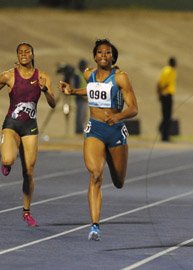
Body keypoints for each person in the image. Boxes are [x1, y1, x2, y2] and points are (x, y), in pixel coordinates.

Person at [59, 39, 138, 241]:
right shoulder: (89, 74)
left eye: (108, 52)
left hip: (115, 130)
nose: (104, 55)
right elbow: (92, 90)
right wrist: (73, 91)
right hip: (95, 129)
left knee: (119, 181)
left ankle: (111, 156)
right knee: (95, 175)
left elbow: (133, 108)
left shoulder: (121, 78)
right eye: (100, 52)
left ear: (113, 57)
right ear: (95, 56)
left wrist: (118, 116)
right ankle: (95, 226)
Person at [0, 42, 56, 227]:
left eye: (27, 52)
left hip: (30, 127)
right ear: (17, 56)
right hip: (12, 124)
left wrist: (46, 90)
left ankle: (26, 212)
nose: (24, 54)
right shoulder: (9, 75)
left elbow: (53, 103)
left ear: (32, 55)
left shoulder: (42, 76)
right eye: (20, 52)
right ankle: (6, 162)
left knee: (29, 172)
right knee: (8, 160)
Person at [157, 57, 177, 142]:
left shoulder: (164, 70)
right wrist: (163, 91)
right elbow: (167, 83)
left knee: (165, 115)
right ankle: (165, 135)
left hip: (163, 95)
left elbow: (159, 82)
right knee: (167, 116)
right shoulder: (171, 71)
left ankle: (163, 134)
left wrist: (159, 93)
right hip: (167, 95)